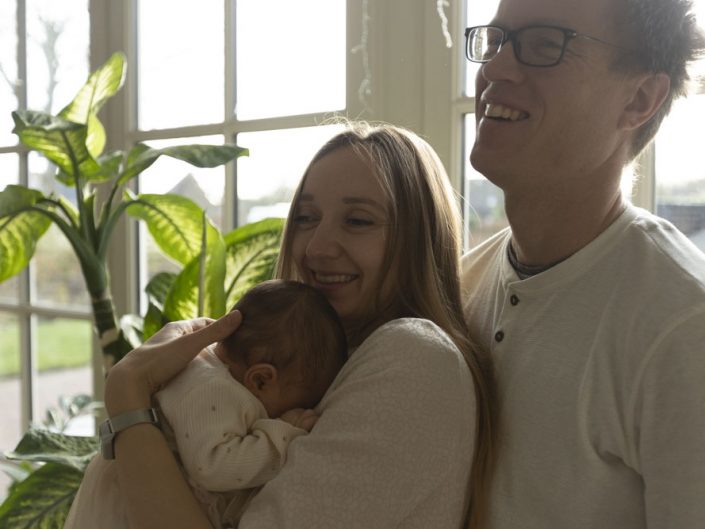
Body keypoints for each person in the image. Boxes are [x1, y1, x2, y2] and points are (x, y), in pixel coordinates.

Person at [97, 122, 497, 529]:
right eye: (306, 217)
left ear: (419, 239)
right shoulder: (318, 363)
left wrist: (128, 394)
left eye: (358, 221)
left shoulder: (414, 359)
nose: (317, 247)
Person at [461, 0, 705, 526]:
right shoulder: (462, 283)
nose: (495, 68)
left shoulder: (684, 327)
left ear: (639, 99)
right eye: (496, 41)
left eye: (545, 45)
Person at [65, 279, 348, 529]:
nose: (285, 413)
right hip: (126, 512)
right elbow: (213, 467)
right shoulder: (215, 391)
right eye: (293, 404)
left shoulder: (206, 367)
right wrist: (282, 433)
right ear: (261, 380)